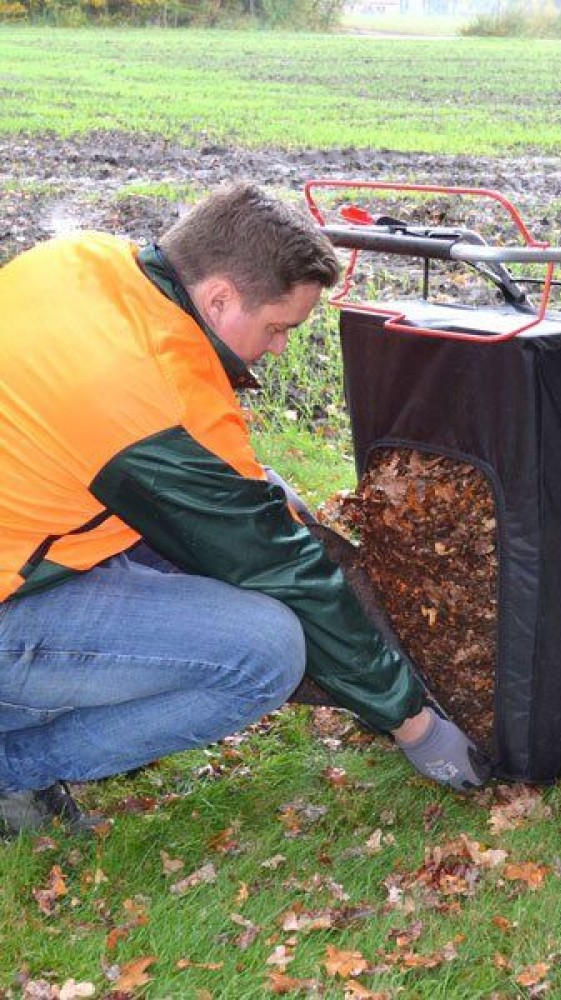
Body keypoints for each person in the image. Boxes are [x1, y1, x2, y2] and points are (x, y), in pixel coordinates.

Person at [0, 183, 488, 837]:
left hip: (29, 534)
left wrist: (259, 492)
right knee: (265, 652)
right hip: (14, 600)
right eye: (279, 328)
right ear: (221, 297)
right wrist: (415, 724)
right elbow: (283, 571)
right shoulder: (143, 398)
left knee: (261, 494)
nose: (281, 347)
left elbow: (155, 450)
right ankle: (16, 767)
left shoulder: (83, 260)